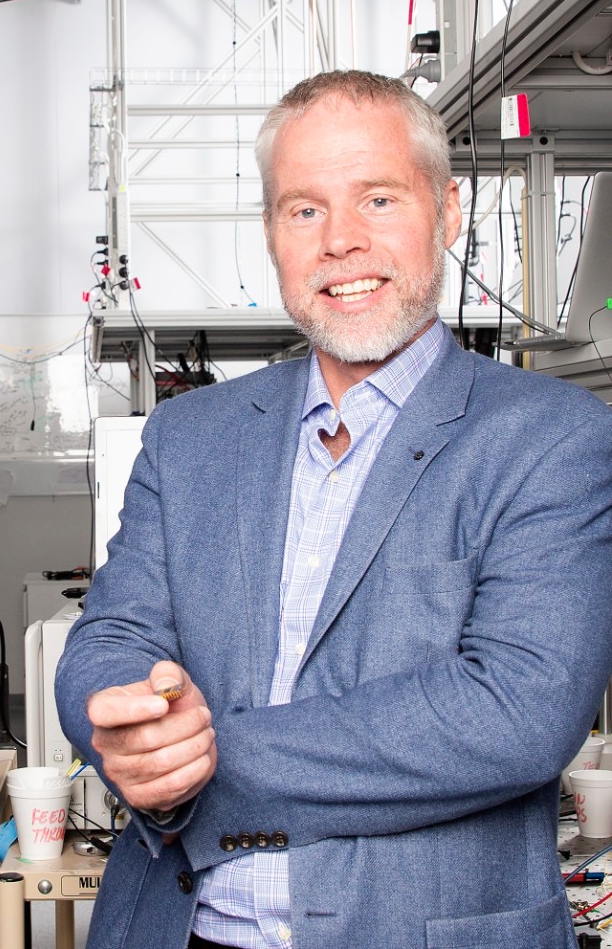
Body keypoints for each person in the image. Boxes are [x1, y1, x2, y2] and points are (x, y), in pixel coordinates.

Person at [56, 69, 612, 949]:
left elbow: (516, 711)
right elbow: (110, 637)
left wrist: (200, 763)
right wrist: (118, 722)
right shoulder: (190, 436)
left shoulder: (555, 440)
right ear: (273, 234)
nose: (340, 242)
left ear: (449, 210)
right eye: (303, 209)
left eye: (379, 199)